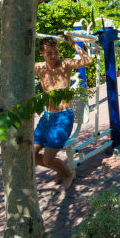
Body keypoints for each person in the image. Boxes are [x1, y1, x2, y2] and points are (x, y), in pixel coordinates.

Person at [34, 35, 92, 190]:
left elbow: (88, 60)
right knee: (31, 154)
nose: (54, 56)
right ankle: (60, 168)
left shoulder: (65, 64)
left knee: (47, 159)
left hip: (63, 117)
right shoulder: (39, 67)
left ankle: (67, 174)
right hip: (47, 117)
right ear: (41, 53)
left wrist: (72, 43)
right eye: (49, 53)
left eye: (56, 52)